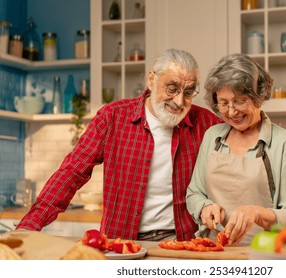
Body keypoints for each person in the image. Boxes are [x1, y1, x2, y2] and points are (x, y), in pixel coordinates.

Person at [16, 48, 221, 241]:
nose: (179, 101)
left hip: (180, 242)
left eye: (187, 92)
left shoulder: (206, 123)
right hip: (120, 241)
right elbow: (72, 172)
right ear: (152, 79)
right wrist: (29, 227)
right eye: (172, 88)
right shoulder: (113, 116)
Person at [186, 53, 286, 245]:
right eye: (223, 103)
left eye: (240, 101)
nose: (232, 112)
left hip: (263, 254)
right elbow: (194, 193)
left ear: (258, 96)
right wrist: (204, 207)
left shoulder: (284, 143)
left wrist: (256, 213)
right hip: (212, 250)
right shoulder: (212, 136)